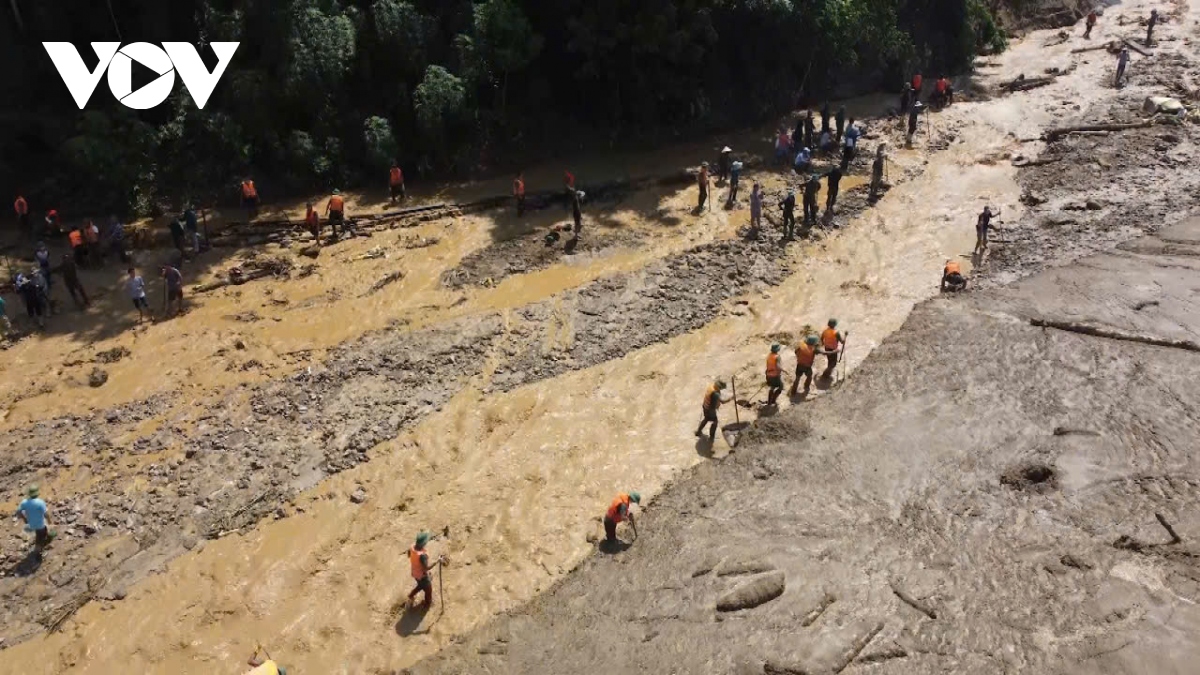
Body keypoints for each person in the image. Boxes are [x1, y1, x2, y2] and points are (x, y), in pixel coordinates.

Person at [407, 531, 443, 609]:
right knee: (428, 591)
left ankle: (411, 596)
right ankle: (426, 604)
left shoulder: (412, 547)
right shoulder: (422, 556)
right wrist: (437, 560)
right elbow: (426, 568)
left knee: (420, 585)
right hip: (422, 576)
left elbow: (409, 555)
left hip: (415, 573)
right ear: (423, 543)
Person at [14, 485, 53, 555]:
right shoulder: (40, 502)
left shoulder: (24, 502)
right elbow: (46, 514)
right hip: (40, 525)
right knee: (40, 537)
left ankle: (44, 539)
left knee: (41, 532)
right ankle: (38, 551)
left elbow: (18, 512)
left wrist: (24, 519)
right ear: (37, 493)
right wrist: (50, 521)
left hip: (31, 524)